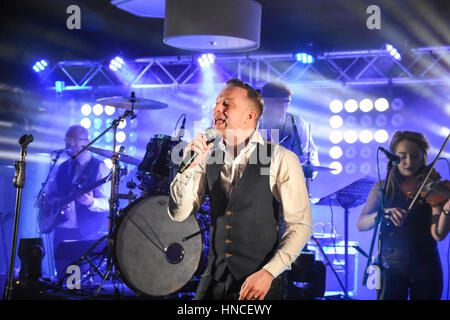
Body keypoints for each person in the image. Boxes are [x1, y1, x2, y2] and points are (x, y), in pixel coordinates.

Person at [168, 78, 313, 300]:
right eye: (217, 103)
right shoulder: (208, 155)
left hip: (259, 284)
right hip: (213, 280)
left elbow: (301, 226)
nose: (217, 108)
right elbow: (178, 214)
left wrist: (268, 273)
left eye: (227, 104)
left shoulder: (279, 157)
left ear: (250, 115)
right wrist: (187, 168)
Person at [357, 130, 450, 300]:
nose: (409, 161)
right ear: (393, 157)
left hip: (426, 263)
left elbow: (439, 234)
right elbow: (361, 223)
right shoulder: (382, 187)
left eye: (415, 156)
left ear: (424, 157)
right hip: (391, 263)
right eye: (402, 156)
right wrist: (382, 214)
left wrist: (446, 207)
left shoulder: (434, 187)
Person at [43, 125, 110, 279]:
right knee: (61, 279)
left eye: (75, 140)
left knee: (81, 282)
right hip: (61, 230)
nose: (70, 144)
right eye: (68, 141)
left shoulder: (98, 166)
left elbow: (108, 203)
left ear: (86, 142)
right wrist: (50, 203)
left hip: (85, 233)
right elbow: (51, 194)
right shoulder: (61, 167)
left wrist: (91, 202)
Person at [259, 82, 319, 169]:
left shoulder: (297, 123)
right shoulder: (252, 122)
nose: (284, 108)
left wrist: (309, 166)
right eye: (278, 103)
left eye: (287, 102)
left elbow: (308, 155)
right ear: (265, 102)